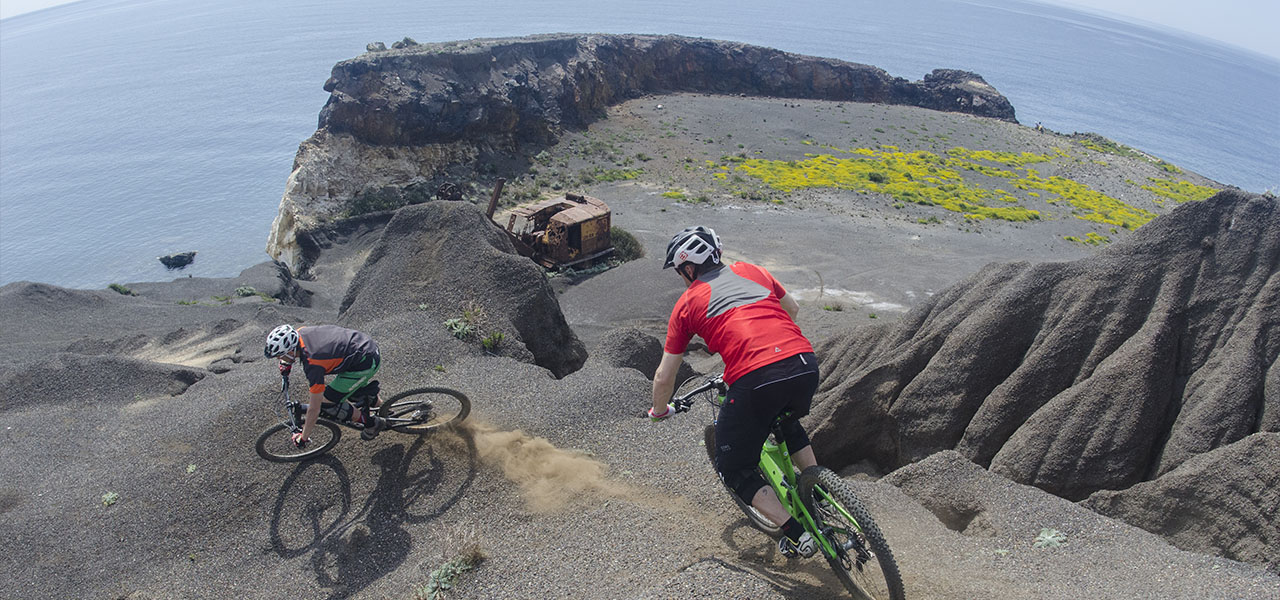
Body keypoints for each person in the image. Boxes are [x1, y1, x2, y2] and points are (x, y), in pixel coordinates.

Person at [648, 226, 823, 559]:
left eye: (679, 272)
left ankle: (796, 533)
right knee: (784, 419)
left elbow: (663, 377)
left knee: (732, 468)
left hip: (754, 378)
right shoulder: (752, 270)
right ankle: (819, 489)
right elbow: (794, 309)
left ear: (688, 268)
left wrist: (659, 410)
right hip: (804, 362)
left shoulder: (687, 304)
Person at [264, 324, 386, 445]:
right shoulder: (301, 332)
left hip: (365, 362)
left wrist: (304, 437)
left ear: (290, 350)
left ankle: (372, 423)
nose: (279, 358)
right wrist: (286, 363)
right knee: (348, 392)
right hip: (363, 345)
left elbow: (315, 409)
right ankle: (385, 409)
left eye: (280, 355)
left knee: (327, 403)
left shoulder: (313, 363)